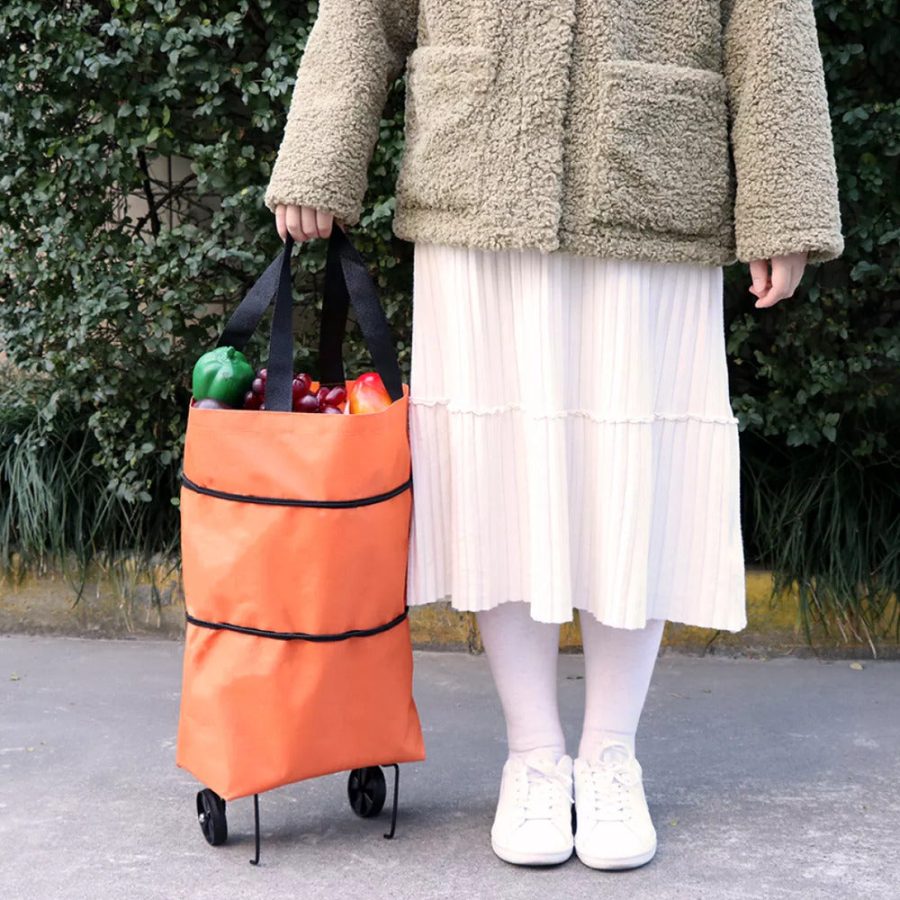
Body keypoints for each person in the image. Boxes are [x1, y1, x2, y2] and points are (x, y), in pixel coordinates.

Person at [263, 0, 843, 871]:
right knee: (498, 474)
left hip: (651, 175)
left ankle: (612, 752)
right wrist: (319, 152)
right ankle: (532, 753)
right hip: (480, 166)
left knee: (633, 467)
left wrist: (785, 206)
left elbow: (770, 21)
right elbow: (363, 12)